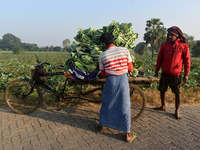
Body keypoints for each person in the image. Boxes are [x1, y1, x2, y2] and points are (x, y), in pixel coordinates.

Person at [96, 32, 136, 142]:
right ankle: (127, 134)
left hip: (111, 81)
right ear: (113, 41)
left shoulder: (102, 56)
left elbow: (103, 73)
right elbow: (131, 69)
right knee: (124, 104)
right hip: (123, 80)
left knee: (107, 103)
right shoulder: (124, 50)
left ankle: (101, 126)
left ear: (104, 44)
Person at [154, 26, 190, 120]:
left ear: (177, 36)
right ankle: (163, 106)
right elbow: (159, 59)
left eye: (171, 35)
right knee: (162, 90)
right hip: (165, 73)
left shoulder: (183, 46)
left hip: (177, 74)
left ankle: (177, 111)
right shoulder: (164, 45)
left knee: (178, 93)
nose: (169, 36)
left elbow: (187, 61)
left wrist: (186, 74)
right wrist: (156, 71)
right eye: (168, 34)